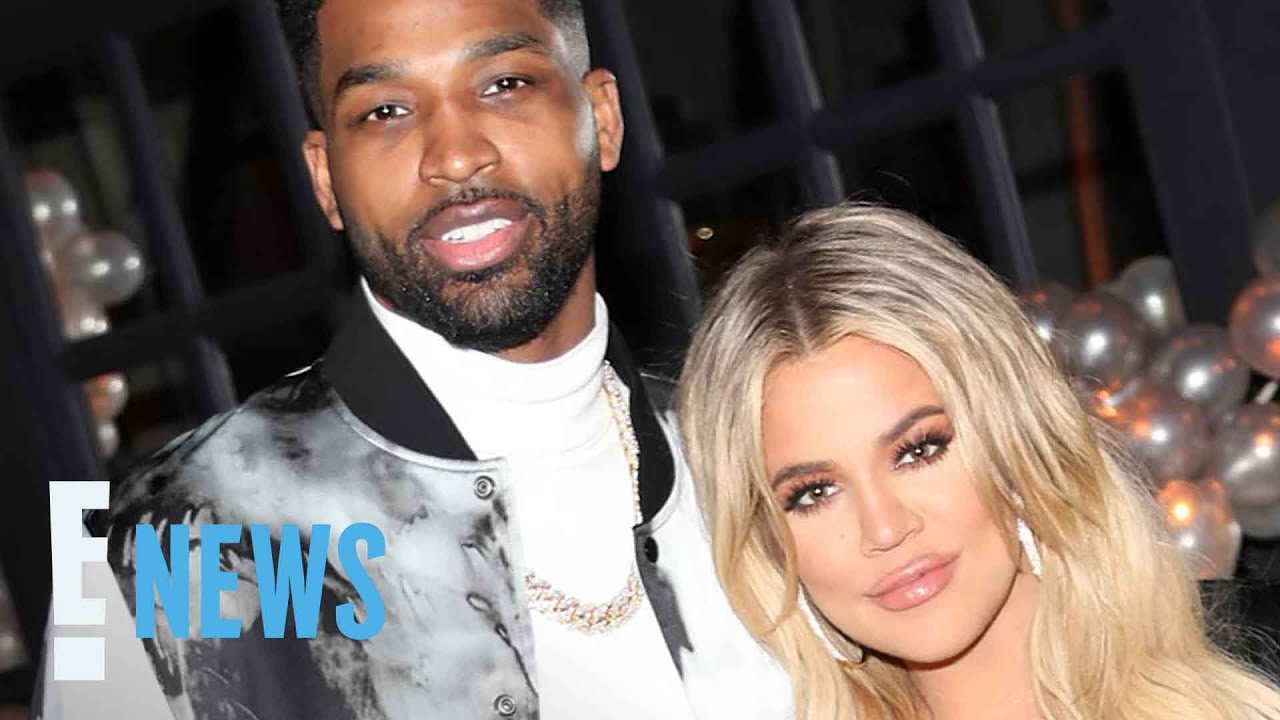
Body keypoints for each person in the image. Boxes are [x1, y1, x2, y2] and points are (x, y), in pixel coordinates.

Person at [33, 0, 793, 718]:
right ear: (326, 179)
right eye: (385, 112)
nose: (456, 157)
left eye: (504, 84)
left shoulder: (753, 455)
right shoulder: (146, 552)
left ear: (603, 118)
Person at [676, 203, 1280, 720]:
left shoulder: (1252, 675)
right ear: (766, 543)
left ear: (1015, 434)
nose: (884, 529)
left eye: (919, 450)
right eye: (813, 493)